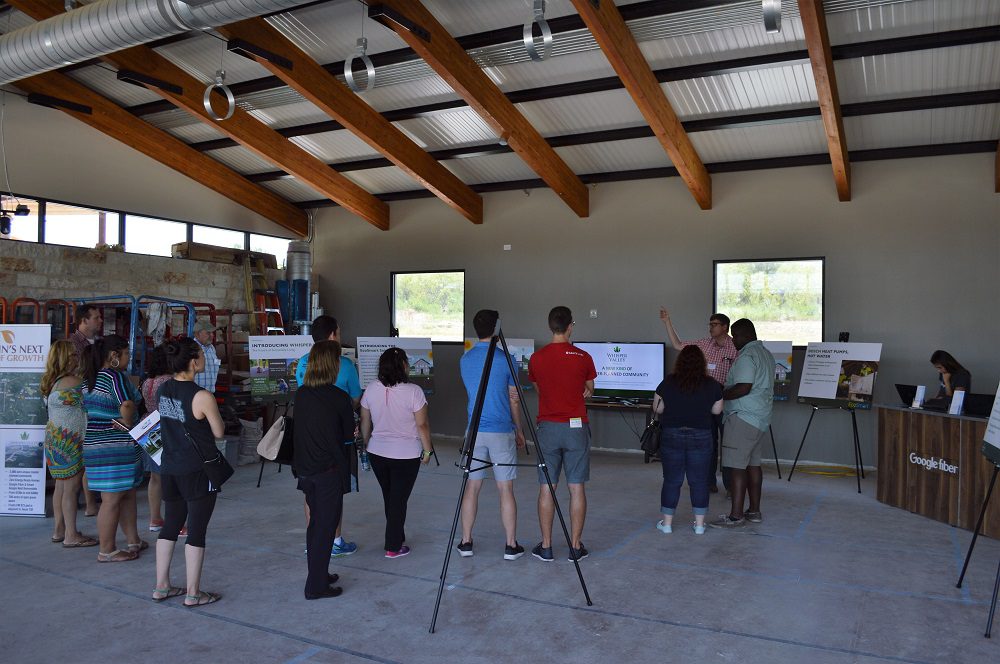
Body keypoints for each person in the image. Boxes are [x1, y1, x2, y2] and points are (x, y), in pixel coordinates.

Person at [153, 338, 226, 606]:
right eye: (202, 355)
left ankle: (162, 586)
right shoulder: (202, 396)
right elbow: (218, 432)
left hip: (170, 466)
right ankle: (194, 593)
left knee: (171, 524)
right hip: (197, 469)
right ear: (194, 362)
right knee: (196, 530)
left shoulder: (162, 390)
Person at [527, 306, 596, 562]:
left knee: (547, 488)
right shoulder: (582, 356)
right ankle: (575, 547)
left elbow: (539, 388)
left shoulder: (537, 358)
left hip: (547, 427)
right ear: (571, 326)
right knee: (576, 488)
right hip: (576, 427)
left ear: (549, 326)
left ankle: (546, 546)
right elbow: (590, 388)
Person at [456, 309, 527, 560]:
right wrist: (519, 430)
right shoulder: (507, 359)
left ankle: (466, 542)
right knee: (505, 488)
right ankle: (510, 545)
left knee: (472, 487)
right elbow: (514, 400)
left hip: (474, 431)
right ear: (497, 328)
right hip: (500, 430)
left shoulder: (465, 360)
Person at [295, 315, 362, 557]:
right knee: (335, 490)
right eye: (339, 331)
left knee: (309, 491)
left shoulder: (302, 362)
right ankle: (334, 541)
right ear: (333, 334)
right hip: (337, 439)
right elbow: (355, 397)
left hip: (307, 437)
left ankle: (313, 538)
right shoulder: (344, 364)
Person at [293, 341, 355, 599]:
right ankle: (316, 586)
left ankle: (319, 574)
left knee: (316, 525)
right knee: (325, 527)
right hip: (328, 471)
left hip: (306, 469)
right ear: (333, 365)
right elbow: (346, 435)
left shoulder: (302, 393)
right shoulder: (340, 398)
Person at [360, 347, 433, 558]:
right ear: (403, 366)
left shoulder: (371, 389)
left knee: (391, 496)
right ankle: (393, 546)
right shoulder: (414, 391)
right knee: (398, 500)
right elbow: (422, 426)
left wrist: (366, 444)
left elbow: (365, 421)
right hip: (406, 455)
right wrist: (427, 451)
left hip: (377, 452)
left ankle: (397, 536)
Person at [81, 335, 145, 562]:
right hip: (115, 445)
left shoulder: (90, 378)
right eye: (127, 353)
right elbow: (126, 404)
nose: (130, 357)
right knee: (112, 499)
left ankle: (133, 540)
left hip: (95, 444)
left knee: (126, 494)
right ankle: (107, 550)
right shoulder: (114, 376)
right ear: (114, 356)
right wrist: (128, 422)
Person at [660, 307, 737, 494]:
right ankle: (709, 482)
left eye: (715, 324)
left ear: (725, 327)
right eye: (709, 324)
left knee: (729, 443)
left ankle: (730, 485)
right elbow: (678, 345)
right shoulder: (704, 343)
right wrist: (667, 322)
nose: (710, 328)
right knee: (709, 441)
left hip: (727, 397)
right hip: (705, 397)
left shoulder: (735, 347)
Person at [652, 345, 724, 535]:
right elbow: (717, 411)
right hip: (701, 435)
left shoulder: (669, 382)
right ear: (702, 363)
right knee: (699, 481)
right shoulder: (712, 384)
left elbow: (657, 409)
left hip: (672, 435)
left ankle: (666, 524)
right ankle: (699, 525)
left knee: (671, 480)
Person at [710, 319, 775, 529]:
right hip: (759, 419)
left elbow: (743, 387)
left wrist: (719, 394)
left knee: (737, 467)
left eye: (736, 336)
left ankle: (736, 516)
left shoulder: (747, 356)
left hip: (742, 417)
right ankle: (754, 511)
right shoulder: (766, 354)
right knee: (753, 466)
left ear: (745, 335)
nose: (734, 340)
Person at [40, 340, 96, 548]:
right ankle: (71, 535)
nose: (76, 358)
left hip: (55, 439)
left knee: (61, 488)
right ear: (64, 358)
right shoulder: (74, 382)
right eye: (72, 355)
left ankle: (60, 529)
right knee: (71, 489)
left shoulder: (51, 381)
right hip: (70, 441)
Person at [69, 303, 102, 517]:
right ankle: (90, 503)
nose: (100, 321)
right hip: (80, 403)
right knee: (84, 455)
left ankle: (93, 498)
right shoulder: (72, 345)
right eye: (96, 318)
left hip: (95, 400)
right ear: (84, 320)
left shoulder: (98, 343)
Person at [140, 346, 171, 532]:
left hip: (148, 428)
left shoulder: (147, 382)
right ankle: (175, 520)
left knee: (155, 477)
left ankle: (155, 518)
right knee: (171, 476)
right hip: (165, 429)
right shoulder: (168, 381)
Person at [192, 320, 220, 393]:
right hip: (195, 395)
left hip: (209, 394)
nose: (212, 335)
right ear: (197, 334)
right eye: (208, 332)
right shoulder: (191, 348)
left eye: (212, 332)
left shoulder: (211, 348)